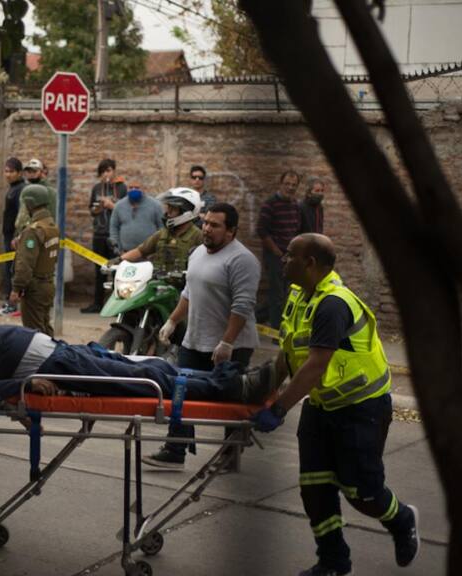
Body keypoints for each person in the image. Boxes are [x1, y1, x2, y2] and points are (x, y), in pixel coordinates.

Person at [252, 233, 419, 576]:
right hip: (322, 406)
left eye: (290, 256)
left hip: (361, 409)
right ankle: (333, 562)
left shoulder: (333, 304)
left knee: (362, 493)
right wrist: (266, 393)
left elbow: (316, 364)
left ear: (310, 263)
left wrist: (280, 408)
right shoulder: (299, 296)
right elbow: (289, 351)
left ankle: (402, 520)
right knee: (314, 488)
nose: (283, 260)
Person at [0, 324, 280, 409]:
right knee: (145, 379)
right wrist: (22, 388)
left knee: (149, 366)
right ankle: (234, 389)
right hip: (49, 363)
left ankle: (229, 380)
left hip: (55, 353)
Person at [144, 203, 261, 469]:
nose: (206, 229)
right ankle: (175, 450)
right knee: (180, 392)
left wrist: (227, 342)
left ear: (231, 231)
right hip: (195, 340)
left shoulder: (242, 260)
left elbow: (242, 305)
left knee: (229, 402)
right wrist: (172, 321)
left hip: (231, 346)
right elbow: (188, 292)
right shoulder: (197, 253)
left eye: (214, 225)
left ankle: (230, 457)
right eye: (206, 223)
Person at [116, 188, 202, 286]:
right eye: (168, 207)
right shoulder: (163, 233)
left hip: (183, 290)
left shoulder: (198, 236)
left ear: (186, 211)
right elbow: (140, 251)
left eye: (173, 208)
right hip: (159, 286)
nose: (168, 212)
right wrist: (118, 260)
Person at [9, 184, 59, 336]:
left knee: (34, 336)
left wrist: (16, 289)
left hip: (35, 289)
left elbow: (25, 265)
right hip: (48, 284)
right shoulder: (51, 226)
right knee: (45, 330)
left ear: (30, 203)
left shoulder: (33, 230)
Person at [256, 170, 301, 329]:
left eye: (294, 185)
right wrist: (277, 253)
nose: (290, 188)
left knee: (285, 293)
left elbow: (296, 229)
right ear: (280, 184)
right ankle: (276, 331)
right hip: (274, 255)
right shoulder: (270, 204)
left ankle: (257, 317)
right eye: (287, 184)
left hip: (289, 256)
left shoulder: (295, 205)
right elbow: (262, 231)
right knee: (277, 295)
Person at [82, 158, 127, 313]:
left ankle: (118, 306)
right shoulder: (96, 188)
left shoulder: (121, 188)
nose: (106, 174)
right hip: (99, 233)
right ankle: (97, 304)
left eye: (109, 170)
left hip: (116, 235)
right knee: (99, 271)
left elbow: (125, 211)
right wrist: (99, 207)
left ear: (114, 171)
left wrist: (111, 205)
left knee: (117, 271)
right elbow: (91, 211)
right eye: (103, 172)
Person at [0, 157, 26, 317]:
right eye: (6, 171)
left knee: (13, 271)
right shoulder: (12, 188)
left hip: (14, 238)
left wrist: (18, 236)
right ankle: (10, 302)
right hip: (8, 235)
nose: (8, 174)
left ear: (19, 172)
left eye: (11, 171)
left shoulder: (20, 189)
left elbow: (21, 217)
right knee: (9, 270)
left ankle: (12, 305)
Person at [109, 185, 163, 254]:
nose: (133, 190)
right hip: (126, 253)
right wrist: (117, 248)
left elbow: (162, 227)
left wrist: (159, 247)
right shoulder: (119, 206)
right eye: (130, 187)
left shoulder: (155, 205)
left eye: (137, 188)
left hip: (149, 254)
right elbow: (114, 227)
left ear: (143, 188)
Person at [14, 158, 57, 234]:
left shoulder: (50, 191)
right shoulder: (26, 189)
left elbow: (52, 214)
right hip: (24, 231)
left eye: (34, 171)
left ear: (41, 172)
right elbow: (22, 214)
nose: (31, 173)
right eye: (28, 171)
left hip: (39, 231)